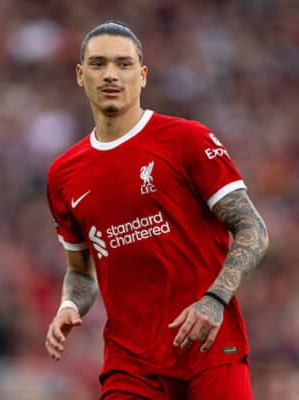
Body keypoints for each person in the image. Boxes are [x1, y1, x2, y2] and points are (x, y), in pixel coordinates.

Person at [45, 21, 269, 399]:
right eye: (98, 64)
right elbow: (81, 272)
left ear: (143, 75)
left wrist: (214, 300)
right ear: (81, 76)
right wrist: (69, 304)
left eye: (124, 64)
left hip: (210, 350)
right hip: (131, 365)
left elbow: (253, 230)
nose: (111, 74)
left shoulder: (186, 140)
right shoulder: (63, 175)